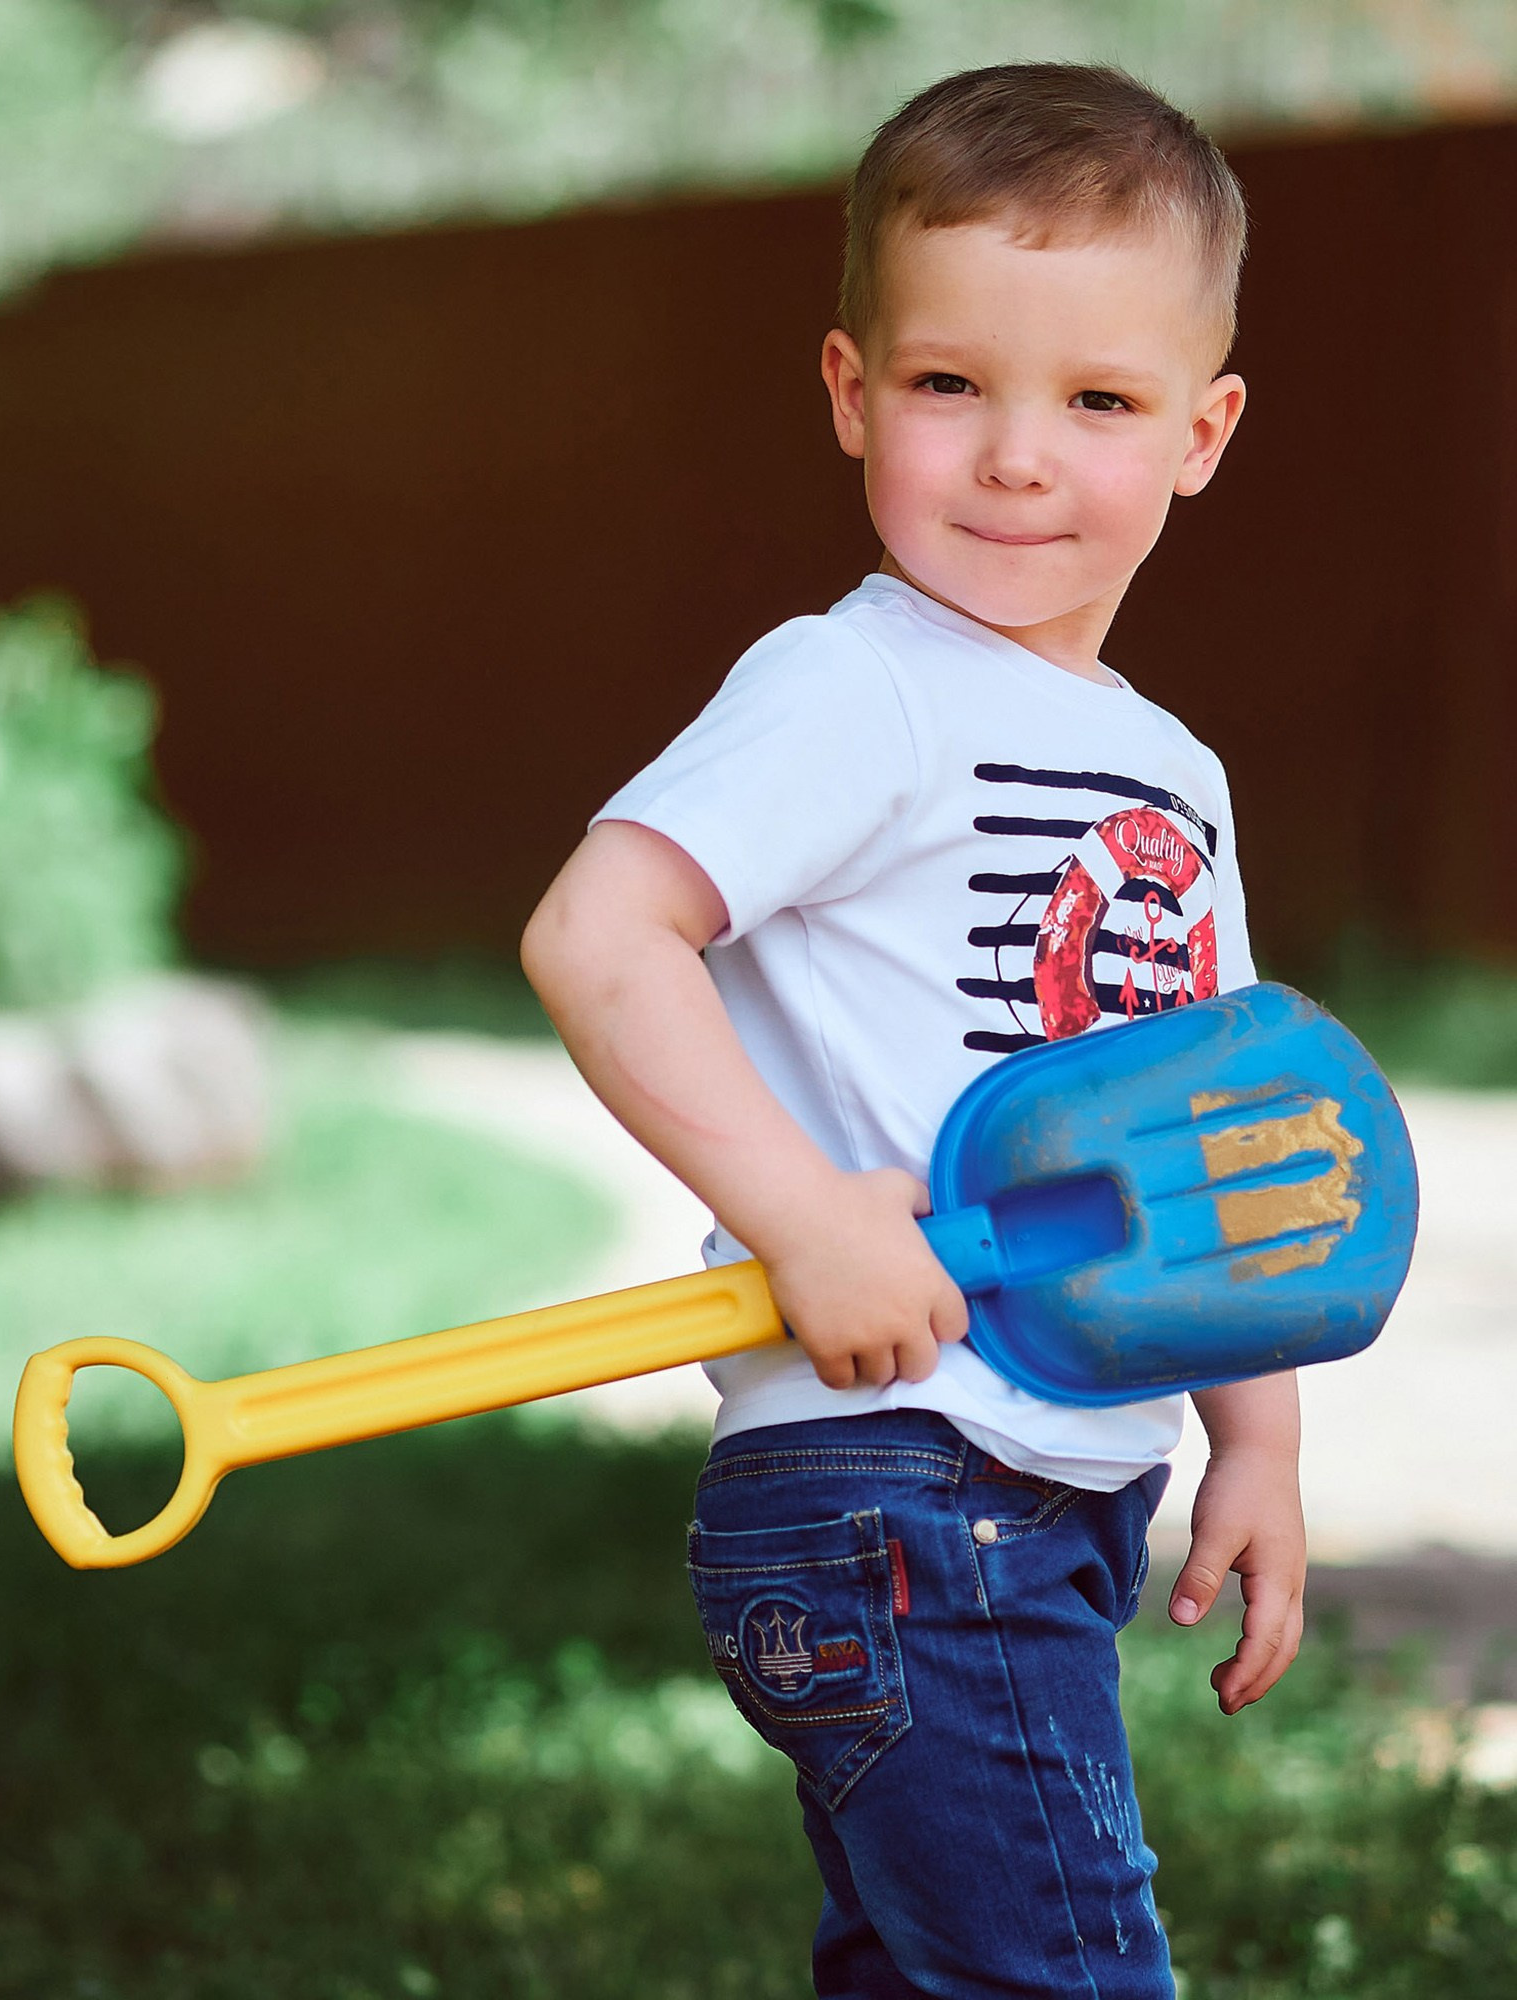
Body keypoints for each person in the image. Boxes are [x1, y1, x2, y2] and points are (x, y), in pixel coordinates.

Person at [521, 61, 1305, 1998]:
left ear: (1201, 433)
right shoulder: (851, 688)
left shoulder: (1169, 769)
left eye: (1099, 401)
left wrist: (1257, 1448)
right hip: (894, 1482)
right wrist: (800, 1211)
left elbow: (1202, 1136)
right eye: (952, 385)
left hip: (1050, 1486)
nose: (1018, 456)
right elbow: (599, 933)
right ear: (852, 393)